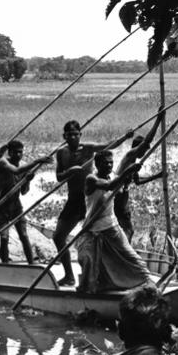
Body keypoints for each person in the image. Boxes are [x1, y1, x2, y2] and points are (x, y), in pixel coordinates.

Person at [53, 121, 130, 286]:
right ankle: (69, 276)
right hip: (74, 199)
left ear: (80, 135)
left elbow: (109, 145)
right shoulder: (61, 153)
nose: (73, 137)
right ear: (64, 136)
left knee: (98, 236)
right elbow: (59, 176)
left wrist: (125, 137)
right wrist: (69, 172)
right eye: (69, 135)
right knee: (58, 237)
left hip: (89, 199)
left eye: (76, 134)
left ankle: (110, 275)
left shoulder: (87, 148)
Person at [75, 149, 153, 293]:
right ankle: (98, 286)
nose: (110, 166)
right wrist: (126, 172)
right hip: (93, 228)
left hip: (111, 226)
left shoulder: (113, 177)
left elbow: (121, 197)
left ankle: (147, 281)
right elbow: (109, 186)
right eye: (106, 163)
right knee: (92, 262)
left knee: (130, 256)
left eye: (111, 163)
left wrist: (127, 181)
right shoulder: (91, 179)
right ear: (97, 164)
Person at [0, 140, 52, 263]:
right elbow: (16, 171)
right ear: (10, 152)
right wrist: (37, 161)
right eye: (16, 153)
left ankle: (32, 263)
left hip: (15, 205)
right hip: (2, 205)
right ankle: (5, 265)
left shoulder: (23, 166)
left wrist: (27, 180)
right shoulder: (3, 162)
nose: (19, 155)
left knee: (24, 235)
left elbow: (24, 191)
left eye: (21, 153)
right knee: (4, 237)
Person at [114, 114, 166, 242]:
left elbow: (137, 182)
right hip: (118, 196)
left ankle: (122, 250)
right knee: (128, 230)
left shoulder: (134, 163)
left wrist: (156, 176)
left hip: (123, 197)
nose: (144, 153)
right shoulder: (130, 156)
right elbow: (147, 141)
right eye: (144, 150)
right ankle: (123, 252)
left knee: (126, 230)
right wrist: (158, 120)